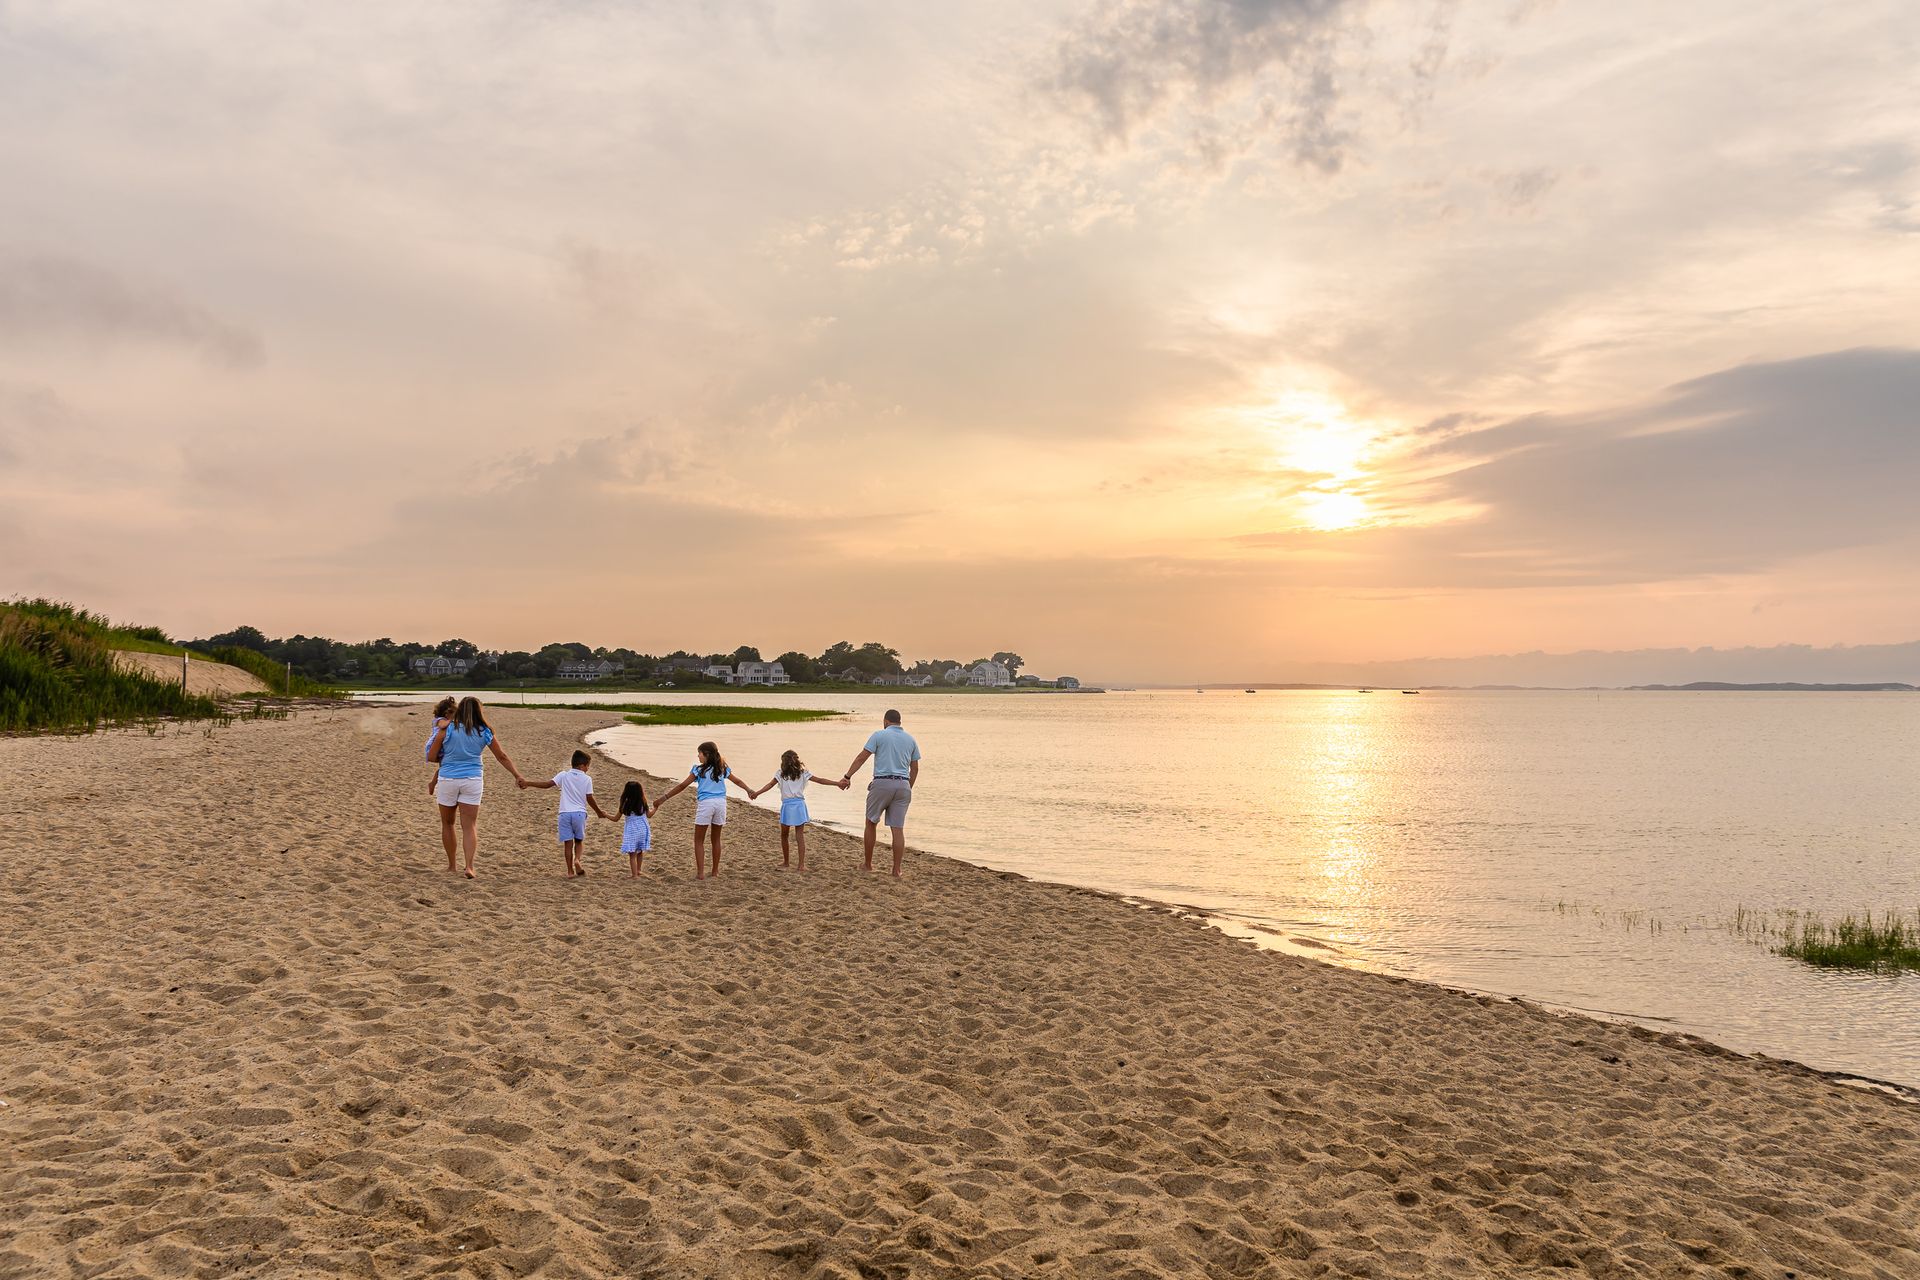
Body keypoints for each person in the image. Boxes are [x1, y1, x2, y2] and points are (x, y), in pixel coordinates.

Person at [426, 696, 530, 878]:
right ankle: (469, 867)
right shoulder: (484, 731)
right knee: (469, 825)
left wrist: (449, 758)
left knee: (448, 823)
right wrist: (517, 775)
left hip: (448, 780)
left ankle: (452, 866)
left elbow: (432, 757)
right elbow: (502, 756)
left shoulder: (446, 729)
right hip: (472, 780)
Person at [650, 740, 755, 879]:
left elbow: (682, 786)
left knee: (698, 840)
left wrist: (663, 798)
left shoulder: (698, 770)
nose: (698, 756)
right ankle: (715, 871)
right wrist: (749, 790)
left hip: (706, 804)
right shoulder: (722, 768)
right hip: (721, 804)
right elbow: (737, 781)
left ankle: (700, 873)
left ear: (706, 754)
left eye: (699, 753)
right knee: (716, 839)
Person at [838, 709, 921, 877]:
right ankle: (896, 870)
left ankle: (868, 864)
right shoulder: (911, 739)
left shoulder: (879, 735)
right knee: (898, 829)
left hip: (882, 783)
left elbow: (862, 757)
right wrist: (908, 786)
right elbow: (915, 768)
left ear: (885, 721)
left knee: (871, 823)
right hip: (903, 784)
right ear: (899, 722)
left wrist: (847, 776)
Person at [748, 749, 848, 872]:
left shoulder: (780, 774)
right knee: (799, 836)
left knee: (784, 835)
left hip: (787, 806)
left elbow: (769, 785)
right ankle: (801, 865)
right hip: (799, 806)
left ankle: (786, 862)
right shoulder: (802, 773)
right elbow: (821, 780)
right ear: (797, 761)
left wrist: (756, 793)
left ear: (783, 762)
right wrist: (837, 783)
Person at [521, 749, 616, 878]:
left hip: (564, 814)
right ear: (582, 766)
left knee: (568, 843)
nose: (588, 769)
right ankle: (577, 860)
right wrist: (599, 812)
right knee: (579, 841)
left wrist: (528, 783)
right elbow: (590, 798)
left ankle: (570, 871)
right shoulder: (587, 779)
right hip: (579, 814)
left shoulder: (563, 775)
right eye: (588, 766)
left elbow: (547, 784)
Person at [423, 696, 457, 804]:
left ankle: (433, 783)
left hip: (440, 745)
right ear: (446, 713)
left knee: (443, 766)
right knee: (444, 766)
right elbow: (443, 726)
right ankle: (433, 783)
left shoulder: (443, 720)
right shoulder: (440, 720)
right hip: (435, 746)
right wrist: (451, 720)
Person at [616, 780, 652, 877]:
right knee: (640, 851)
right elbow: (649, 815)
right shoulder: (643, 802)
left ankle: (634, 875)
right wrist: (656, 808)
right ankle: (639, 870)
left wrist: (605, 815)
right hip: (643, 829)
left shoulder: (625, 804)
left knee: (632, 854)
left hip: (632, 830)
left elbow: (616, 819)